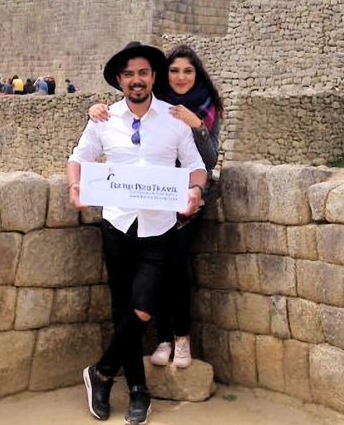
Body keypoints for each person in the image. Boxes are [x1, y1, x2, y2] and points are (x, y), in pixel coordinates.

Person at [70, 42, 207, 425]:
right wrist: (74, 187)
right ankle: (136, 390)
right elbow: (79, 158)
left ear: (153, 77)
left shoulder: (175, 118)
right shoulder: (103, 119)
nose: (136, 80)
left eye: (143, 73)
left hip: (159, 228)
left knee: (143, 308)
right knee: (121, 309)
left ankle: (100, 372)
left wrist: (194, 191)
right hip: (117, 222)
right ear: (119, 80)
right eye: (128, 74)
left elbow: (195, 166)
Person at [87, 45, 222, 371]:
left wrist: (198, 126)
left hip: (188, 199)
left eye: (187, 71)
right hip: (149, 205)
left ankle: (181, 338)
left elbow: (209, 159)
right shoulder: (158, 107)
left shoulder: (205, 107)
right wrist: (95, 110)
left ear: (197, 74)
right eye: (174, 71)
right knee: (157, 274)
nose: (180, 77)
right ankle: (162, 338)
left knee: (175, 266)